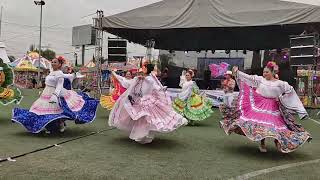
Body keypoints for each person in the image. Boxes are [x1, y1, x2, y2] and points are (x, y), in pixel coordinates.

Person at [220, 61, 312, 153]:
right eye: (264, 72)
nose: (265, 74)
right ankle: (262, 143)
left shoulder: (280, 83)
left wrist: (282, 99)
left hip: (274, 107)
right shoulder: (260, 80)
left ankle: (277, 141)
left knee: (277, 126)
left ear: (272, 72)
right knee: (262, 126)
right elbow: (247, 77)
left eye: (267, 72)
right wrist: (237, 72)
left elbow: (290, 91)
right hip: (261, 105)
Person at [12, 56, 99, 134]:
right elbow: (62, 76)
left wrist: (55, 95)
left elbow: (59, 85)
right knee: (42, 111)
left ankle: (60, 124)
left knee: (57, 111)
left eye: (55, 62)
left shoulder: (59, 73)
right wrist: (71, 75)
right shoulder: (52, 72)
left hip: (55, 93)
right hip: (46, 93)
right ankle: (51, 126)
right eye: (52, 62)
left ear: (59, 64)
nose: (53, 63)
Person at [109, 63, 187, 144]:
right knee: (142, 118)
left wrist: (143, 79)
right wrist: (114, 74)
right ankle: (142, 135)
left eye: (144, 67)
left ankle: (144, 135)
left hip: (148, 101)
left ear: (147, 69)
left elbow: (157, 87)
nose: (142, 69)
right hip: (140, 101)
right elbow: (127, 83)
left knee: (148, 118)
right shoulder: (139, 79)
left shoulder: (150, 79)